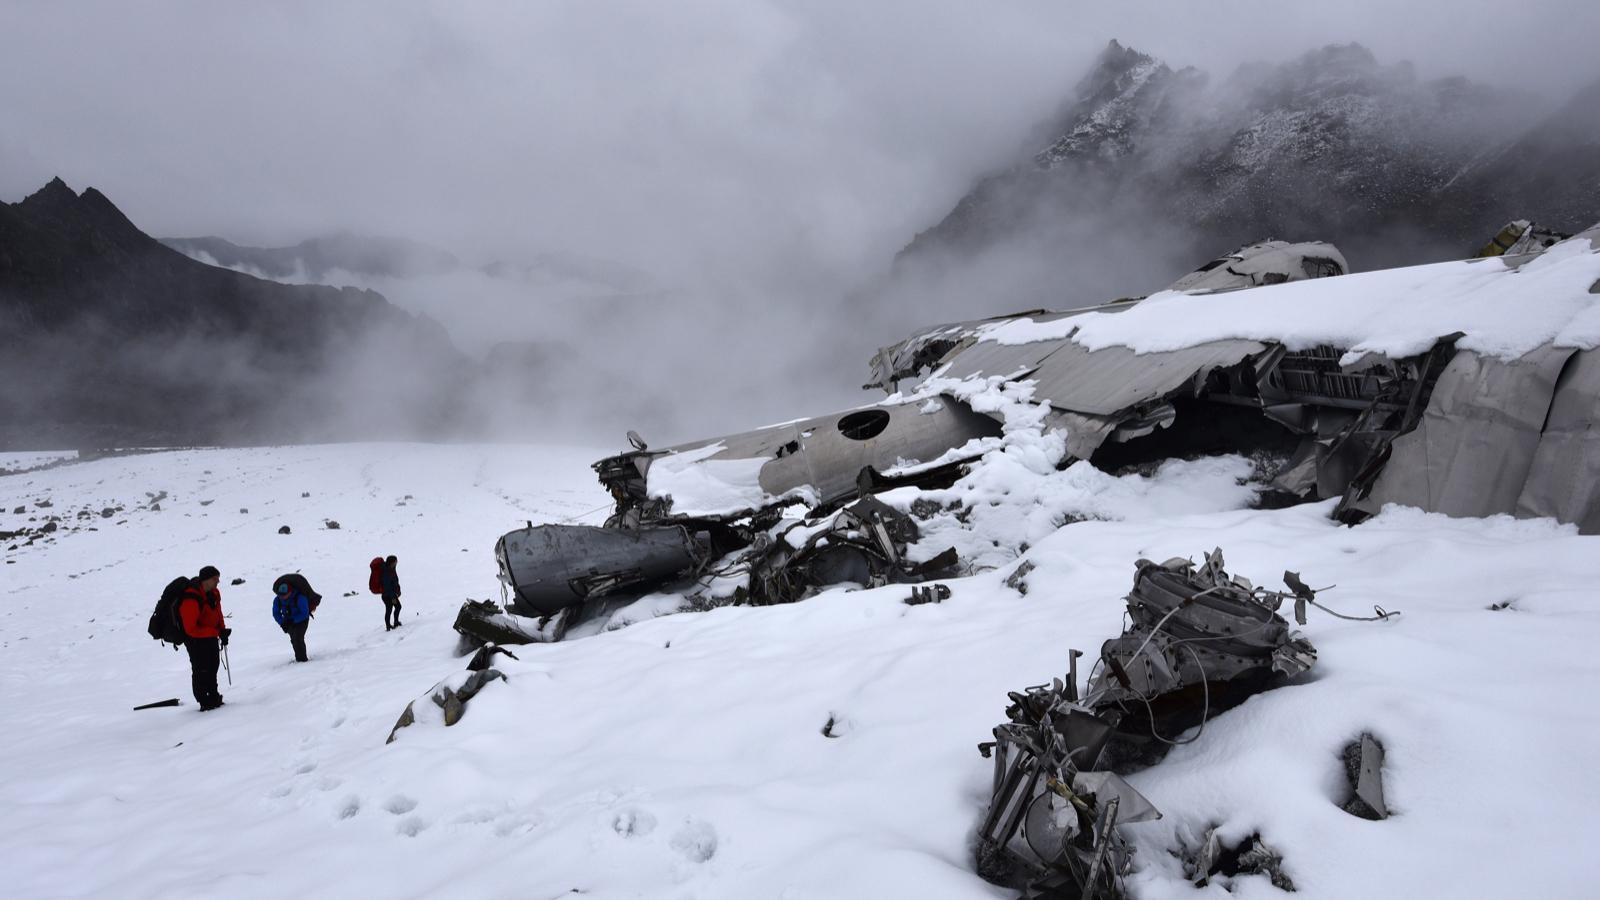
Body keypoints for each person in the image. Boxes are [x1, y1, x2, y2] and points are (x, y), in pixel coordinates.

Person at [179, 565, 230, 710]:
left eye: (218, 578)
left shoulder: (214, 593)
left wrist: (222, 630)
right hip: (194, 640)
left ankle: (213, 696)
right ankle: (204, 701)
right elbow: (190, 629)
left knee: (213, 665)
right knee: (201, 669)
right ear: (205, 580)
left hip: (210, 636)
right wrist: (214, 632)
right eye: (215, 579)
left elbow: (218, 613)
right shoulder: (191, 597)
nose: (218, 581)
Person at [272, 578, 313, 662]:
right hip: (288, 621)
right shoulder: (277, 600)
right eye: (280, 595)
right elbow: (276, 613)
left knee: (298, 638)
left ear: (290, 592)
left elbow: (304, 613)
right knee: (294, 639)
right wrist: (282, 622)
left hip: (302, 620)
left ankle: (302, 660)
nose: (282, 597)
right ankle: (300, 659)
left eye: (284, 594)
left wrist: (292, 621)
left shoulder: (300, 597)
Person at [382, 555, 402, 630]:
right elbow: (388, 587)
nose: (397, 562)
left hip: (391, 594)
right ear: (391, 562)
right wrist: (393, 597)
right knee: (393, 608)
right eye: (395, 561)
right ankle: (389, 625)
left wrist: (398, 590)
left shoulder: (392, 569)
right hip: (388, 596)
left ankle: (394, 623)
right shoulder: (386, 572)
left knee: (393, 608)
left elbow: (395, 581)